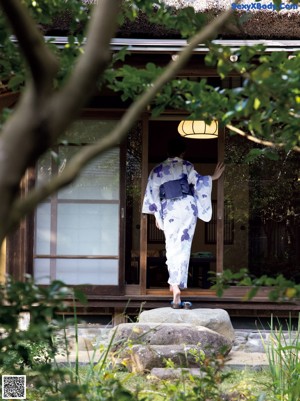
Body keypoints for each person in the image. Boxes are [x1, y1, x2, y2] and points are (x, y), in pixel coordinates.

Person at [142, 137, 225, 309]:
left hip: (169, 208)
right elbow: (199, 182)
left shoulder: (157, 170)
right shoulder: (186, 165)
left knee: (171, 246)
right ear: (183, 152)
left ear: (167, 152)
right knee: (184, 246)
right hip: (187, 207)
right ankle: (177, 286)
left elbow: (153, 195)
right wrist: (213, 177)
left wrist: (157, 216)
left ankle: (174, 288)